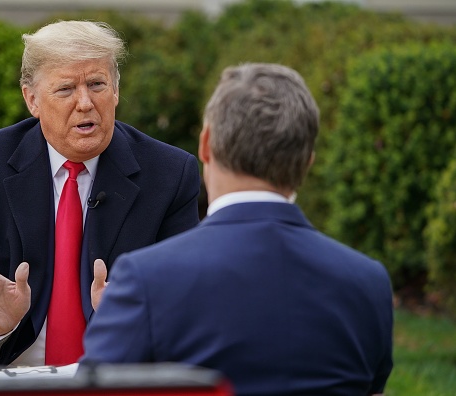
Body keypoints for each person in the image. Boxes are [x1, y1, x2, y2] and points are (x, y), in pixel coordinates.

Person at [80, 63, 394, 396]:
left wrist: (115, 315)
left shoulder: (146, 279)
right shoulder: (368, 282)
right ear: (307, 162)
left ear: (205, 145)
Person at [0, 20, 200, 377]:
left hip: (116, 373)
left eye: (97, 84)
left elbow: (184, 300)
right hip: (7, 370)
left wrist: (130, 317)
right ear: (32, 99)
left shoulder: (170, 173)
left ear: (115, 90)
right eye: (66, 89)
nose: (85, 103)